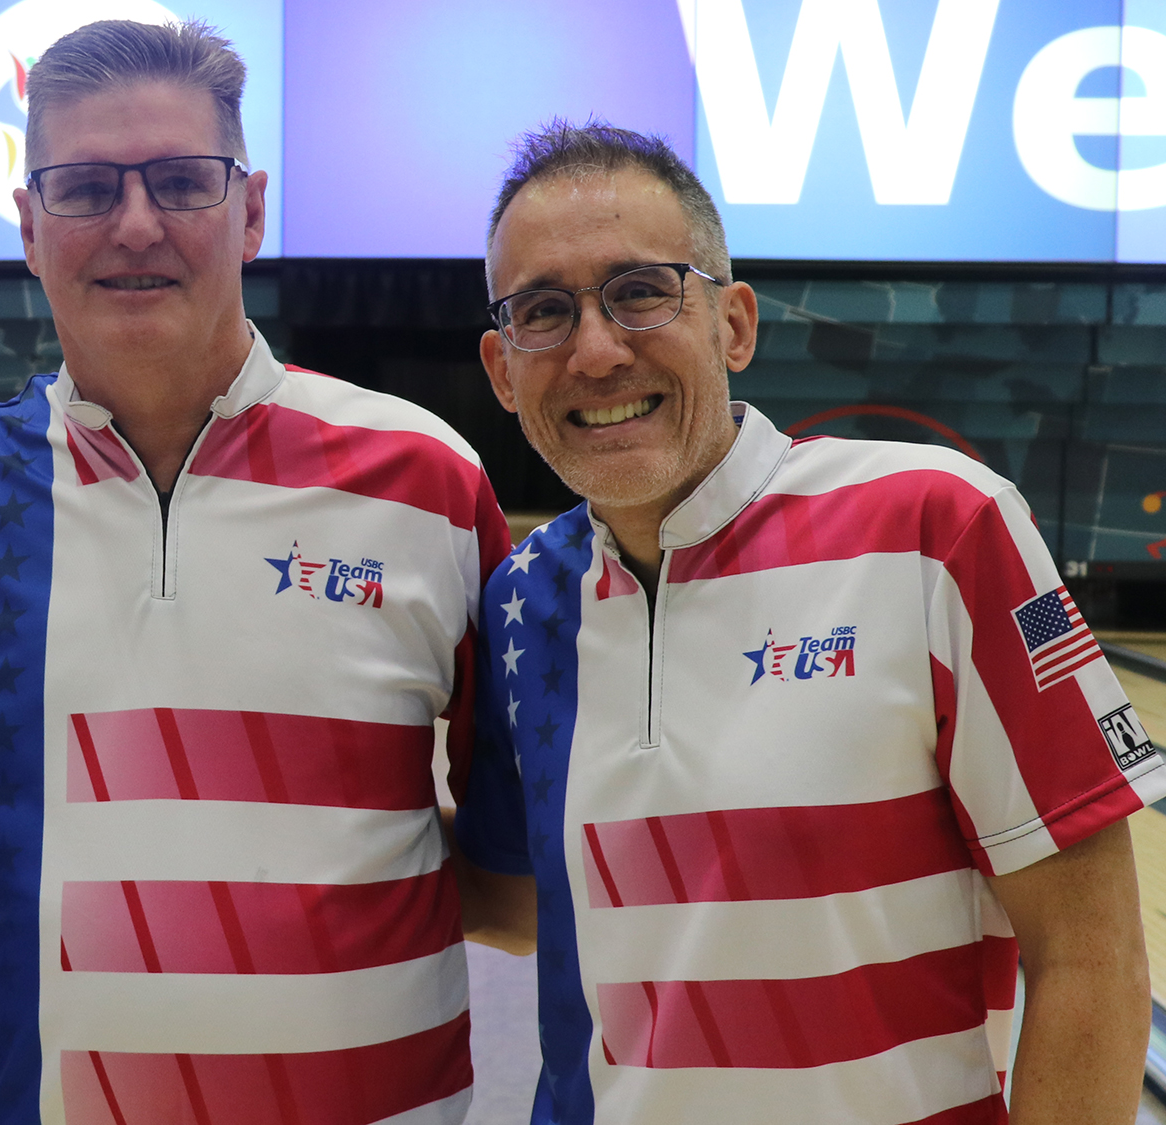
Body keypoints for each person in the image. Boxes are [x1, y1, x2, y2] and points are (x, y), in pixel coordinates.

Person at [0, 20, 518, 1124]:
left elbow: (516, 875)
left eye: (182, 182)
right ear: (27, 224)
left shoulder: (427, 480)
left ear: (248, 212)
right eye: (86, 187)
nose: (135, 223)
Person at [453, 121, 1159, 1125]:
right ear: (499, 368)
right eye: (543, 312)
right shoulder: (524, 596)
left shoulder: (935, 528)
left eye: (640, 292)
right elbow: (524, 906)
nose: (594, 350)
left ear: (732, 324)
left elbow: (1090, 956)